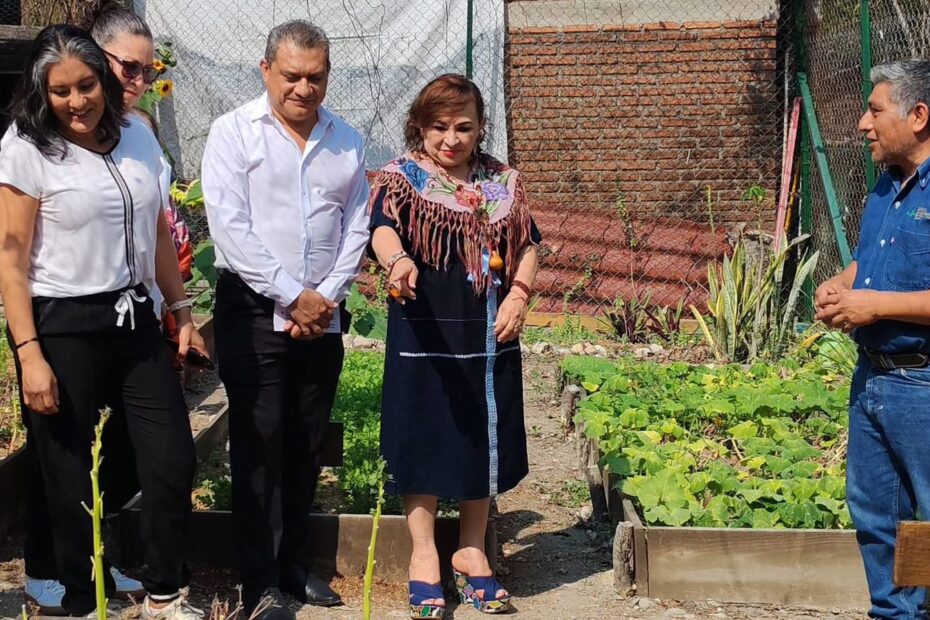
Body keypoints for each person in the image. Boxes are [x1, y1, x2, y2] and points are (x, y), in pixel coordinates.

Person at [0, 25, 206, 619]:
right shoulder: (27, 146)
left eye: (86, 85)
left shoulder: (137, 134)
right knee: (69, 475)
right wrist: (29, 353)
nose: (77, 101)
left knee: (170, 457)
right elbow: (11, 258)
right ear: (42, 92)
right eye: (60, 91)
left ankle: (164, 593)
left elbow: (158, 230)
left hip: (134, 315)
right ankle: (84, 599)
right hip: (61, 321)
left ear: (104, 81)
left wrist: (182, 313)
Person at [201, 19, 369, 620]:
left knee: (305, 439)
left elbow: (357, 225)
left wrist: (323, 297)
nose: (303, 88)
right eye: (292, 75)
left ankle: (295, 567)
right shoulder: (232, 133)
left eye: (315, 77)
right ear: (266, 69)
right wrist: (291, 296)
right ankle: (260, 583)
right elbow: (230, 227)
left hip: (323, 313)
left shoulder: (346, 140)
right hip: (252, 310)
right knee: (259, 441)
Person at [368, 74, 539, 618]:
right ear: (420, 125)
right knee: (422, 431)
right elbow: (381, 229)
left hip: (488, 334)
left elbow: (528, 244)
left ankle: (470, 549)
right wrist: (398, 260)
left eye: (463, 127)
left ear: (481, 127)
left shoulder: (502, 182)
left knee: (481, 434)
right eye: (439, 126)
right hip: (424, 330)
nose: (451, 138)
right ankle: (424, 554)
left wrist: (519, 294)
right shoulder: (403, 178)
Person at [815, 59, 930, 620]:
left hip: (923, 384)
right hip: (874, 380)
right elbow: (875, 262)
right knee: (880, 519)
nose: (863, 123)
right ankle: (896, 614)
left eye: (875, 110)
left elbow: (884, 295)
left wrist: (876, 305)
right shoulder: (886, 186)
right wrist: (843, 285)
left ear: (918, 116)